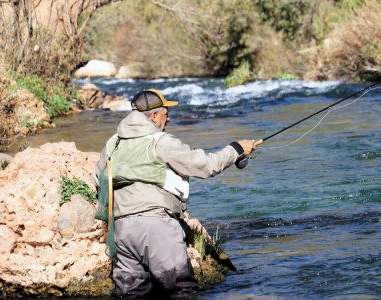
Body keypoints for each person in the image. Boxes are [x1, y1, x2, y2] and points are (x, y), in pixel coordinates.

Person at [94, 88, 259, 297]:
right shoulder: (161, 142)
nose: (169, 118)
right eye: (165, 113)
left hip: (122, 231)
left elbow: (98, 180)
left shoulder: (112, 143)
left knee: (132, 294)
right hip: (157, 228)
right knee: (182, 291)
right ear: (153, 116)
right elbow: (205, 165)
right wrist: (236, 149)